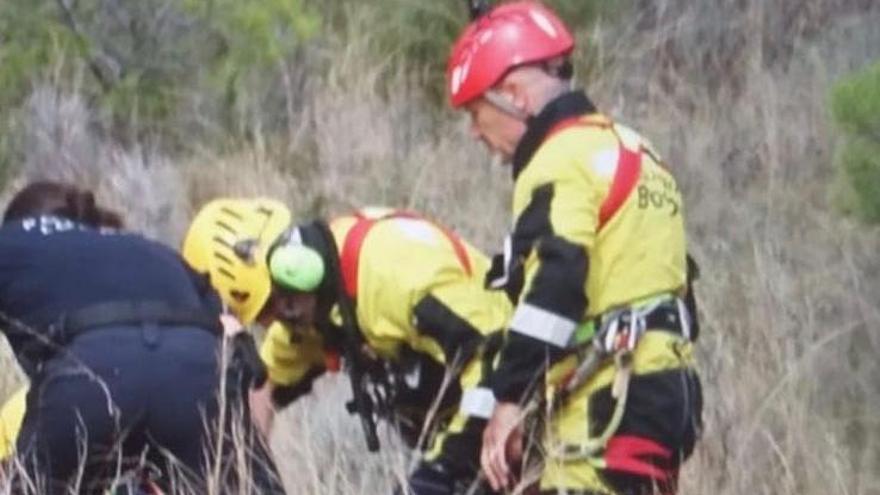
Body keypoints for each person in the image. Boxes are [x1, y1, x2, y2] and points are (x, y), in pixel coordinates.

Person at [446, 2, 703, 494]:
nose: (475, 132)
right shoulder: (637, 150)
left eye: (476, 113)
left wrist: (509, 403)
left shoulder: (558, 158)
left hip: (610, 398)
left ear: (514, 95)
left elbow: (555, 288)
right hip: (665, 389)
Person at [182, 199, 513, 495]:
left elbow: (497, 356)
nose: (274, 322)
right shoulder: (309, 312)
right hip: (475, 434)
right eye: (262, 317)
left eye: (275, 305)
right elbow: (263, 388)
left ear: (294, 264)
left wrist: (444, 469)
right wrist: (243, 476)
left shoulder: (393, 275)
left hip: (528, 402)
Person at [0, 181, 283, 494]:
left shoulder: (10, 243)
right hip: (197, 370)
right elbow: (236, 339)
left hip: (90, 376)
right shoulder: (150, 250)